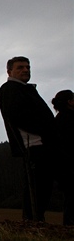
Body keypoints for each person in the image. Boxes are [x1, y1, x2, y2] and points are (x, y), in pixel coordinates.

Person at [0, 56, 55, 222]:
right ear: (9, 71)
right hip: (34, 145)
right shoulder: (10, 89)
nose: (25, 70)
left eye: (28, 67)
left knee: (44, 186)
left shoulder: (24, 89)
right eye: (20, 67)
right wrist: (46, 131)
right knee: (37, 187)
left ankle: (36, 220)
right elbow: (18, 116)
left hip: (43, 144)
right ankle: (32, 221)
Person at [51, 89, 74, 225]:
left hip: (64, 167)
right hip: (69, 166)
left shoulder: (59, 120)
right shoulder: (69, 120)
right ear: (70, 102)